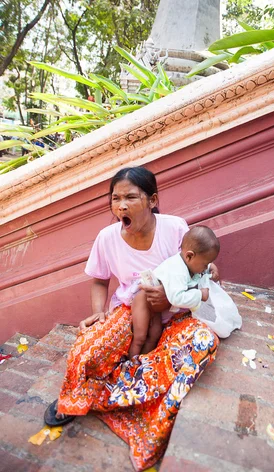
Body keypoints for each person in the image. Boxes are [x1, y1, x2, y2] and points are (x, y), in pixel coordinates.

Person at [43, 166, 219, 472]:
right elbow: (99, 279)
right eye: (116, 199)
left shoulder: (176, 229)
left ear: (152, 200)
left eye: (131, 197)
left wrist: (173, 297)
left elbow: (199, 269)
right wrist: (100, 312)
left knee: (204, 342)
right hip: (130, 310)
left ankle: (126, 400)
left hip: (175, 315)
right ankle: (86, 395)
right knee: (89, 348)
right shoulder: (107, 238)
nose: (121, 205)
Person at [128, 226, 220, 358]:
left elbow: (201, 262)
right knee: (140, 337)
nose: (205, 268)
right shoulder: (177, 271)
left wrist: (211, 268)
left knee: (154, 335)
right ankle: (130, 365)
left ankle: (143, 362)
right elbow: (176, 298)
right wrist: (200, 294)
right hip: (144, 302)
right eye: (205, 264)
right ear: (189, 256)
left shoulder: (189, 262)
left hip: (156, 309)